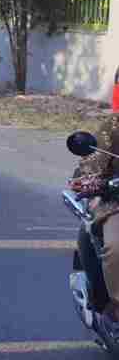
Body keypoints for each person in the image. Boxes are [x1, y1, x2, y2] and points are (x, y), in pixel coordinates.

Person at [73, 113, 119, 328]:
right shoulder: (116, 124)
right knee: (116, 246)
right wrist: (92, 179)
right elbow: (92, 163)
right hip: (116, 202)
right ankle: (117, 307)